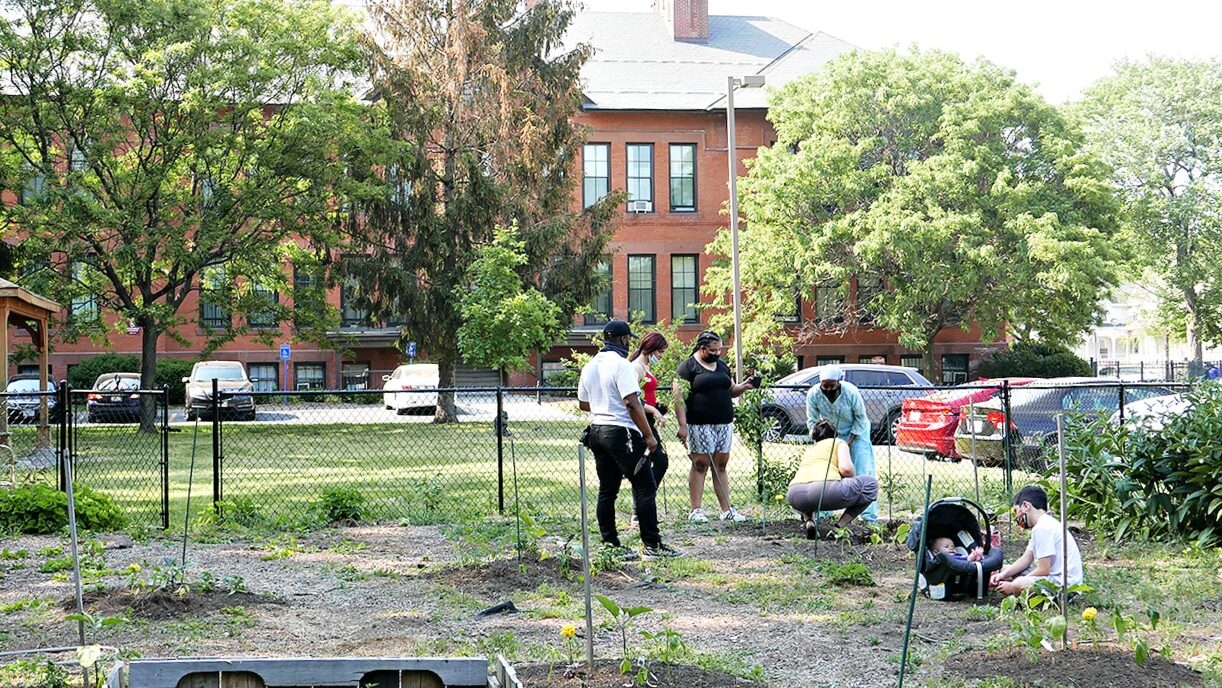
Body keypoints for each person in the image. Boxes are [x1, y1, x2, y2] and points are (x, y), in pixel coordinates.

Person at [578, 320, 681, 560]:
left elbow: (583, 403)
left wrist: (604, 404)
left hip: (597, 430)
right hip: (620, 432)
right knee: (645, 486)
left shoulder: (590, 365)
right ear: (624, 340)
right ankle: (652, 546)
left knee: (607, 490)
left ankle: (610, 544)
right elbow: (632, 402)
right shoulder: (621, 365)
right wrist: (648, 436)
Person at [674, 331, 759, 523]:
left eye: (719, 349)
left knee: (720, 465)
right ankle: (696, 510)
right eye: (713, 350)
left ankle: (726, 510)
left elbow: (731, 390)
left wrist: (745, 386)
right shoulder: (687, 367)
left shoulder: (722, 366)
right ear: (702, 348)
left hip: (724, 423)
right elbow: (678, 398)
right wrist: (682, 425)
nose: (717, 353)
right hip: (699, 424)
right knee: (701, 464)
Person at [804, 366, 878, 523]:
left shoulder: (851, 392)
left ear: (839, 382)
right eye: (825, 385)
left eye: (832, 385)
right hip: (830, 435)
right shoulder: (814, 394)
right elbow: (812, 420)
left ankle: (868, 517)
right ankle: (825, 514)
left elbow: (861, 418)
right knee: (828, 471)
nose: (828, 388)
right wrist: (820, 441)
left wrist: (847, 443)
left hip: (856, 434)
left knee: (862, 470)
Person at [786, 419, 879, 536]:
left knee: (808, 489)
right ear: (835, 434)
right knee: (871, 484)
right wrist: (850, 481)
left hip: (795, 494)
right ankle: (838, 527)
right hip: (826, 491)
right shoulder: (839, 443)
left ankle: (809, 521)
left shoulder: (811, 449)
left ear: (814, 438)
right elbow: (846, 469)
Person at [990, 485, 1083, 595]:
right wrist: (1002, 575)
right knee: (1004, 569)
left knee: (1017, 585)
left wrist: (1014, 585)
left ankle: (1016, 589)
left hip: (1065, 586)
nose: (1017, 517)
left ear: (1025, 506)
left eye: (1016, 511)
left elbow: (1043, 570)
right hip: (1055, 576)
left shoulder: (1042, 528)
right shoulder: (1043, 524)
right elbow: (1026, 559)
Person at [629, 332, 670, 494]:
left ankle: (645, 501)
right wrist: (653, 410)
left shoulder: (646, 367)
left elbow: (646, 395)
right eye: (660, 352)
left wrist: (658, 407)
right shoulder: (636, 368)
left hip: (649, 418)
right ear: (650, 349)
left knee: (653, 463)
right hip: (640, 420)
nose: (661, 356)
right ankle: (644, 499)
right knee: (658, 462)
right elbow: (631, 398)